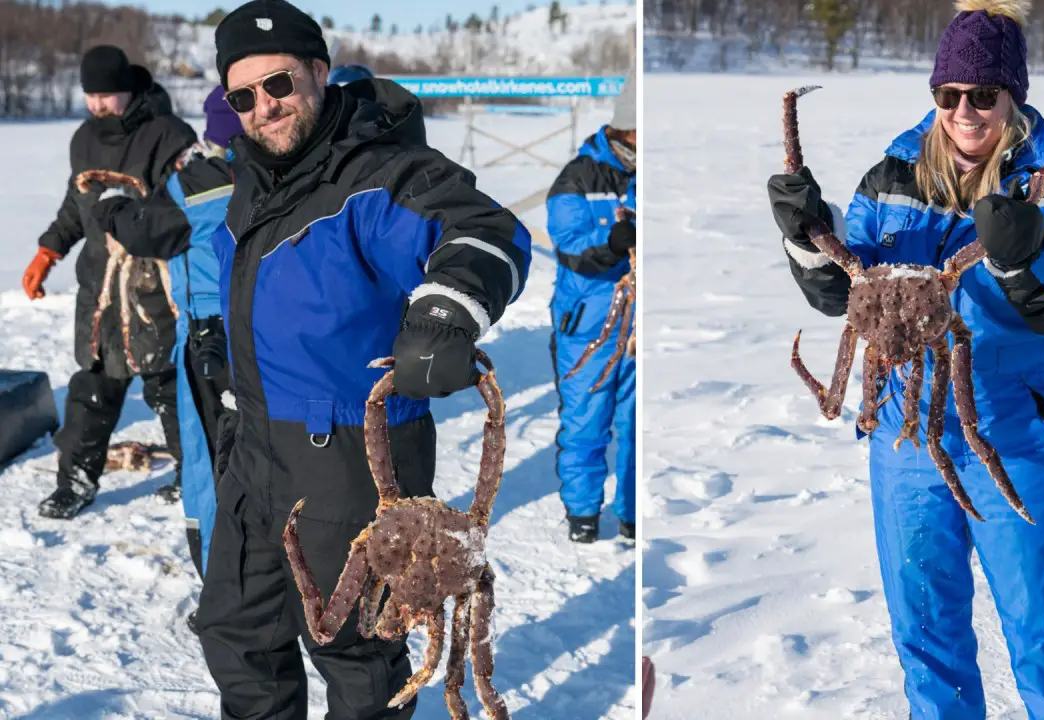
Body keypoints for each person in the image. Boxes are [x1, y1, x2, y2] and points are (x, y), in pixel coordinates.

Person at [766, 0, 1044, 717]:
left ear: (1013, 96)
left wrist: (1023, 252)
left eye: (983, 95)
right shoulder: (889, 177)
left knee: (1042, 630)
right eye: (949, 95)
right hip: (903, 436)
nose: (964, 112)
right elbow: (842, 293)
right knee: (925, 632)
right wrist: (805, 234)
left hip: (1015, 431)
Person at [196, 1, 531, 716]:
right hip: (253, 452)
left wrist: (445, 313)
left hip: (350, 458)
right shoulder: (251, 180)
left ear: (319, 72)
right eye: (243, 96)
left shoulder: (380, 175)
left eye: (279, 83)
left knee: (358, 655)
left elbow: (484, 232)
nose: (264, 106)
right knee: (237, 633)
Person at [22, 45, 196, 520]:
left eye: (107, 95)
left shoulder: (169, 135)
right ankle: (74, 482)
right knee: (91, 392)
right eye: (90, 95)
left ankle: (194, 476)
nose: (98, 105)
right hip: (99, 291)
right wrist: (48, 250)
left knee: (172, 392)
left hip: (153, 290)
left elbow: (185, 211)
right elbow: (75, 205)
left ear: (129, 90)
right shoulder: (84, 139)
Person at [91, 85, 241, 598]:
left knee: (209, 465)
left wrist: (111, 206)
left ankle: (224, 588)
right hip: (273, 333)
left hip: (211, 339)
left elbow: (143, 228)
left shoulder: (198, 184)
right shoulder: (291, 174)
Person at [546, 67, 636, 544]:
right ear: (627, 129)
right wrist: (613, 242)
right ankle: (582, 513)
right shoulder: (578, 177)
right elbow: (570, 246)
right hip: (588, 323)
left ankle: (634, 514)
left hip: (640, 325)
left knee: (637, 424)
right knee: (586, 420)